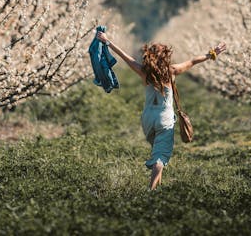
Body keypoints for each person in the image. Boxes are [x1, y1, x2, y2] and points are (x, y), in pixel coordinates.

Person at [95, 29, 226, 190]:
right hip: (164, 117)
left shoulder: (144, 72)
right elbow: (193, 61)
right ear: (165, 56)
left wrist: (107, 41)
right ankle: (150, 190)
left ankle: (157, 188)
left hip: (148, 118)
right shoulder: (172, 71)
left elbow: (125, 57)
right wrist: (212, 53)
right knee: (160, 157)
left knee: (157, 150)